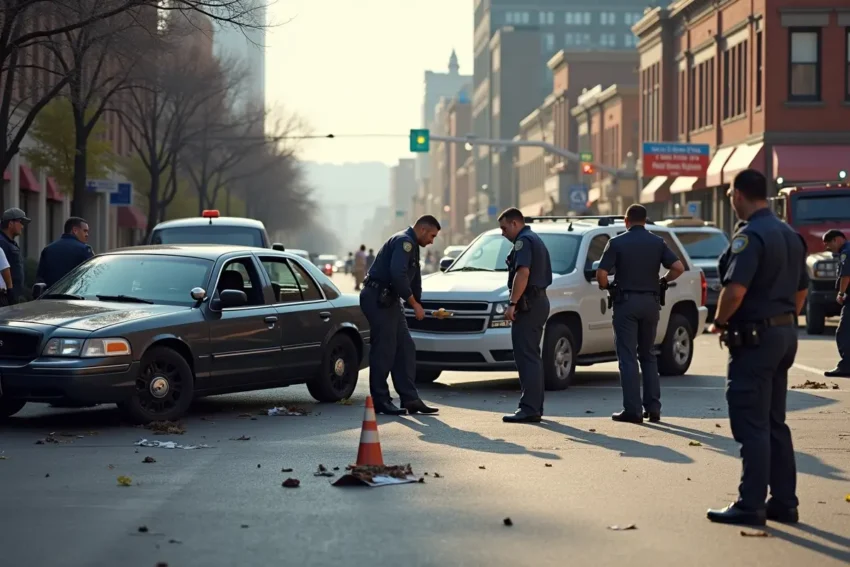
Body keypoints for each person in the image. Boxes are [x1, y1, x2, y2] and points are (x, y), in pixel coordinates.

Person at [706, 168, 808, 526]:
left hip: (755, 339)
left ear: (738, 195)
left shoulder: (750, 237)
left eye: (730, 195)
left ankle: (750, 505)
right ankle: (784, 502)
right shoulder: (789, 234)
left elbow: (735, 291)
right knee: (774, 421)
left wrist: (719, 322)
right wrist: (782, 318)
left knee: (751, 421)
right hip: (783, 334)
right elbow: (801, 290)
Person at [596, 204, 684, 423]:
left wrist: (607, 287)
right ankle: (653, 408)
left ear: (626, 221)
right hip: (651, 304)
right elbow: (678, 268)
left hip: (626, 304)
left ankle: (633, 411)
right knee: (648, 355)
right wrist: (663, 280)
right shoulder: (658, 242)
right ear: (645, 221)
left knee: (627, 357)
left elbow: (601, 273)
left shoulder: (616, 242)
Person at [359, 215, 441, 415]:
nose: (432, 241)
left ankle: (410, 399)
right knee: (384, 349)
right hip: (377, 297)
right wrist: (414, 303)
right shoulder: (404, 242)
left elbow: (414, 278)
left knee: (406, 348)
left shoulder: (412, 244)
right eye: (432, 235)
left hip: (390, 300)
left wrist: (418, 303)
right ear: (422, 229)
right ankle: (380, 400)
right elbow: (398, 274)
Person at [498, 207, 553, 423]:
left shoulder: (524, 241)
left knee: (526, 356)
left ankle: (529, 408)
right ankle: (534, 407)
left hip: (529, 304)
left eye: (504, 228)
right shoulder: (533, 238)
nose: (503, 233)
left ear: (515, 223)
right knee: (531, 356)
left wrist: (512, 304)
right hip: (536, 302)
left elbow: (523, 273)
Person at [821, 229, 850, 377]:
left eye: (828, 244)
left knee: (844, 332)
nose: (828, 248)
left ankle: (846, 366)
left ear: (837, 240)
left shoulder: (846, 252)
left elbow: (846, 275)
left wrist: (841, 293)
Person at [36, 217, 94, 289]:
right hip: (74, 293)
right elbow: (92, 276)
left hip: (51, 294)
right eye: (85, 231)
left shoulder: (48, 249)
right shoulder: (84, 249)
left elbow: (40, 278)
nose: (87, 234)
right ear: (75, 230)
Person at [0, 208, 30, 304]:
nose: (22, 226)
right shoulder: (2, 243)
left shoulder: (10, 243)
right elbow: (4, 270)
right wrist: (10, 292)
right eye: (21, 222)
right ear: (10, 224)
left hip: (12, 297)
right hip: (5, 297)